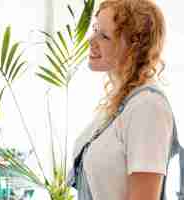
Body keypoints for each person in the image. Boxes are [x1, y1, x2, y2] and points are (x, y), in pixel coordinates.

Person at [69, 0, 174, 199]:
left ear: (133, 47)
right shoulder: (120, 103)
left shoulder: (147, 107)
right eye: (95, 29)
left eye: (105, 36)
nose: (91, 40)